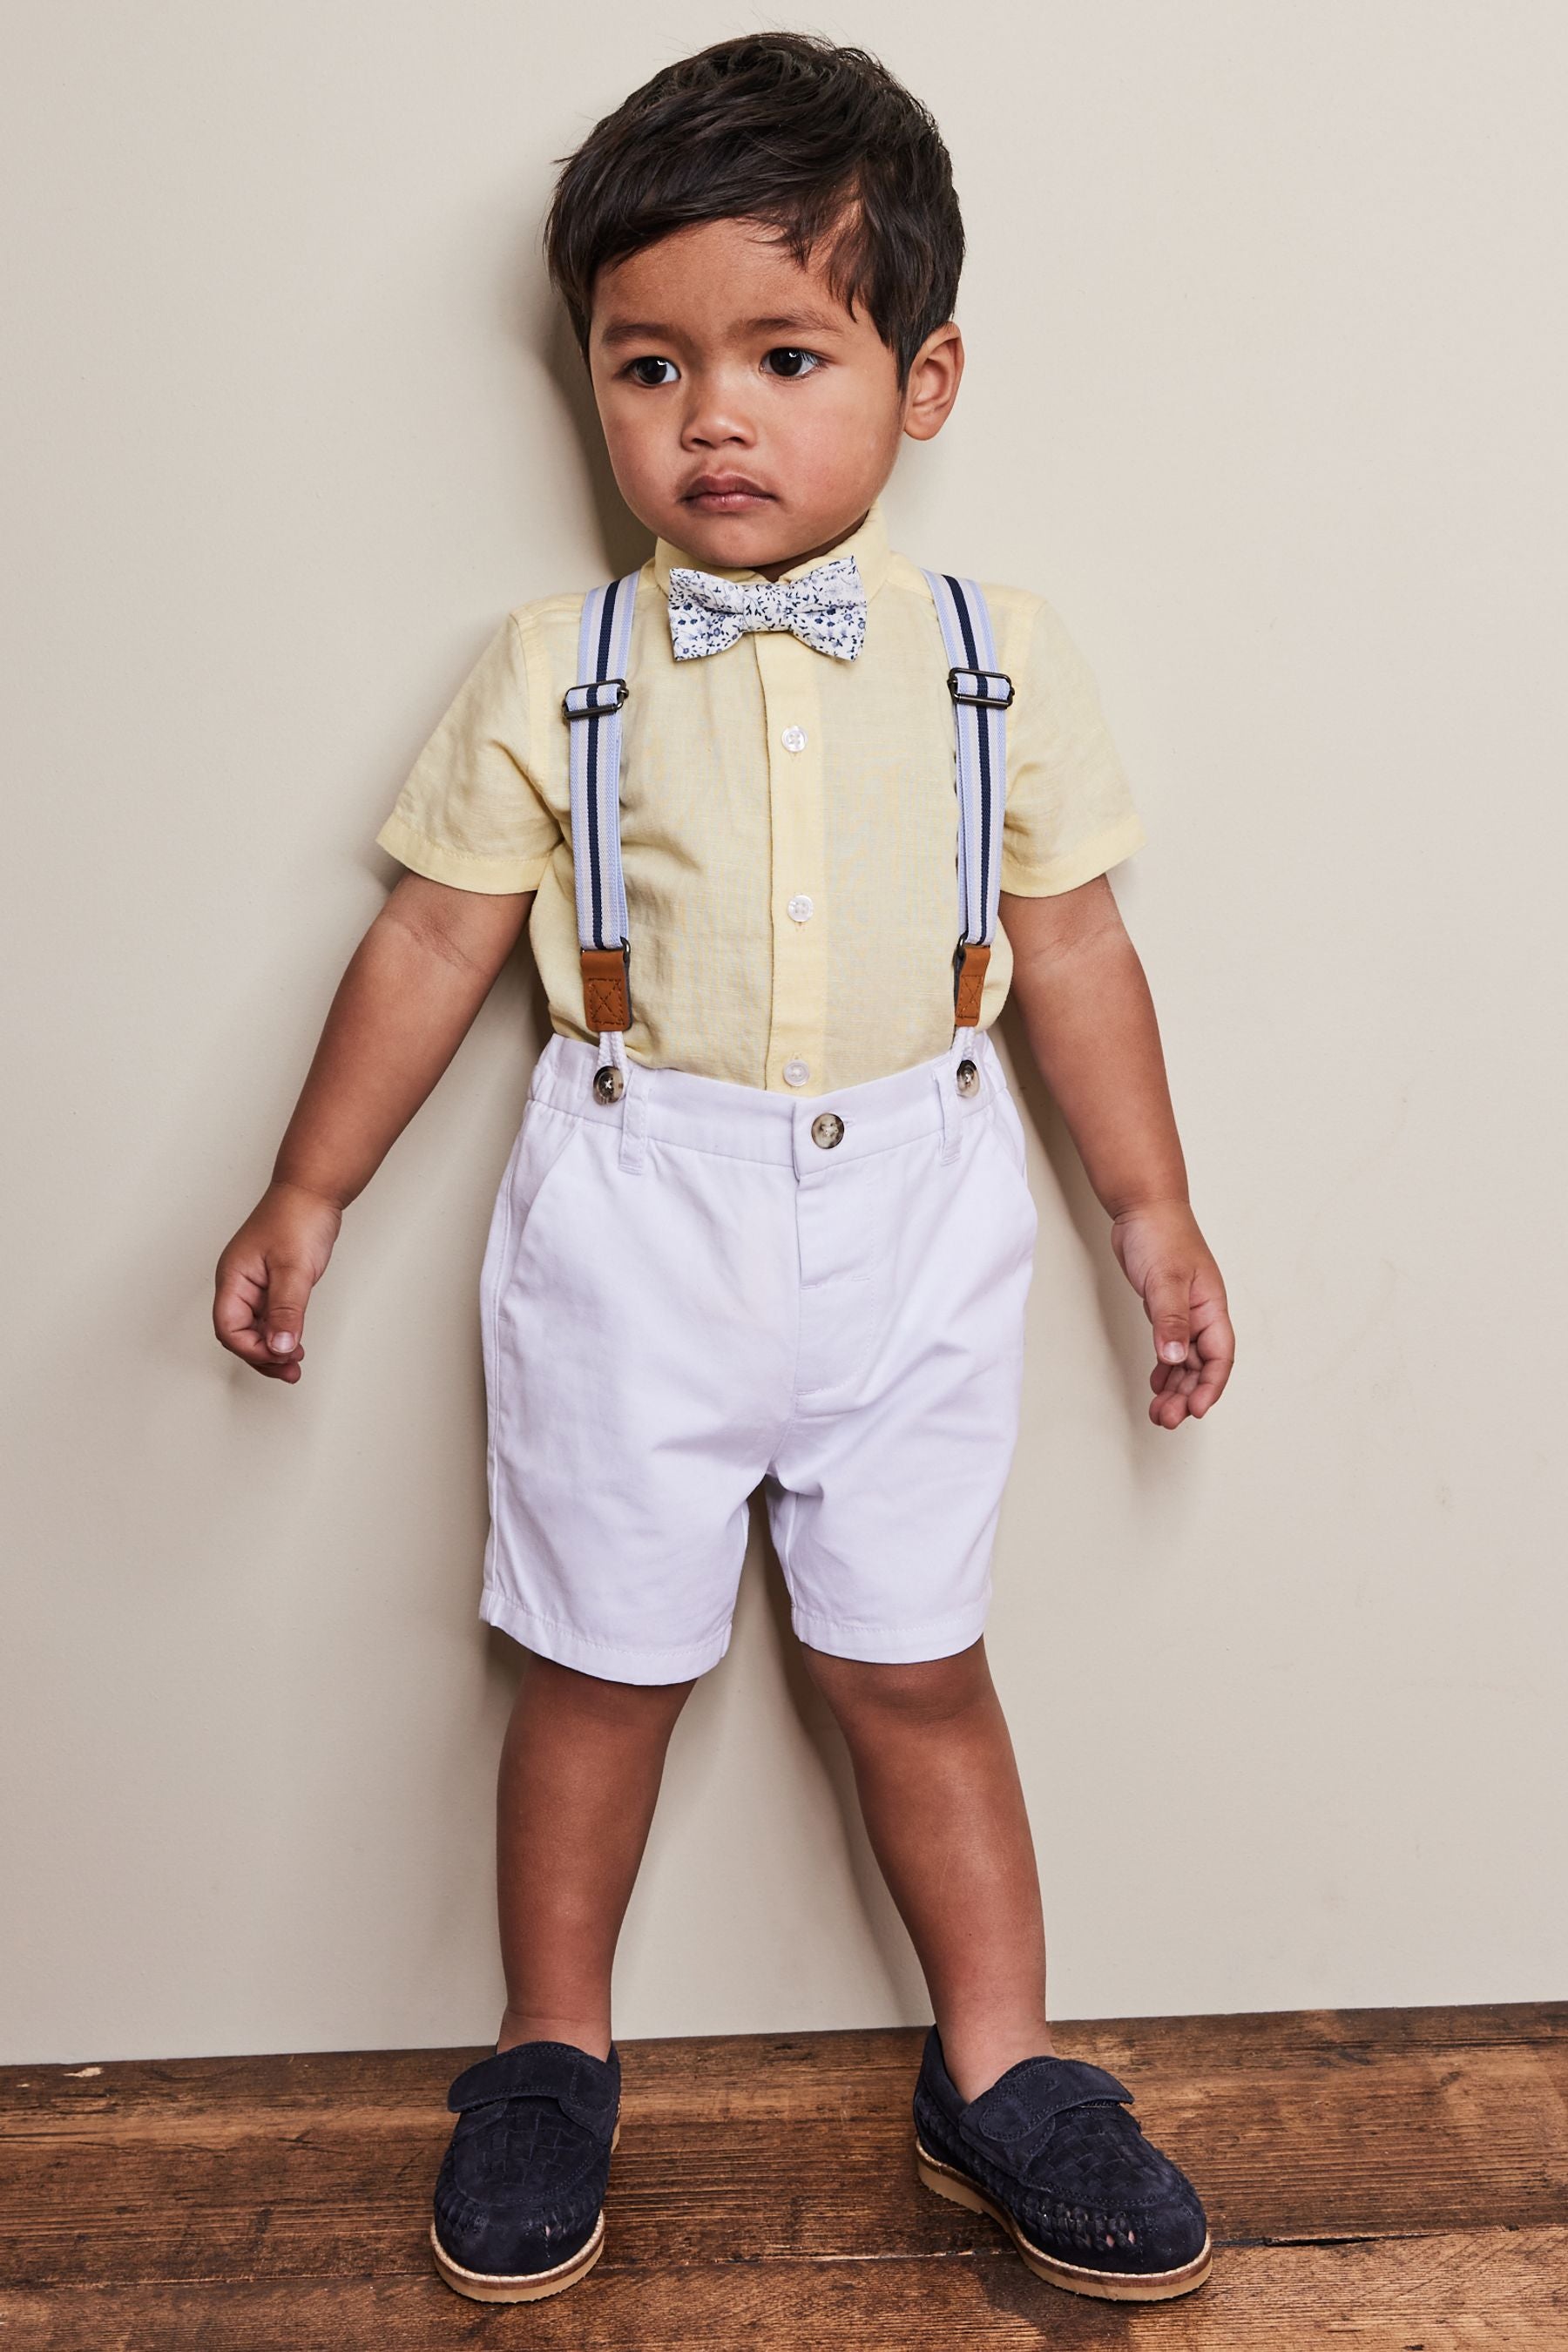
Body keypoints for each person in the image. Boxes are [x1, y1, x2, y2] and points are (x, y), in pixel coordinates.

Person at [213, 30, 1234, 2310]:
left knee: (919, 1662)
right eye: (648, 363)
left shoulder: (1001, 656)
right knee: (601, 1665)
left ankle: (1002, 2065)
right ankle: (551, 2050)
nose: (716, 419)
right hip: (637, 1211)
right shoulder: (555, 663)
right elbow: (431, 935)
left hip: (928, 1220)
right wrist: (310, 1189)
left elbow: (1071, 946)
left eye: (788, 353)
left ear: (926, 373)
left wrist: (1150, 1214)